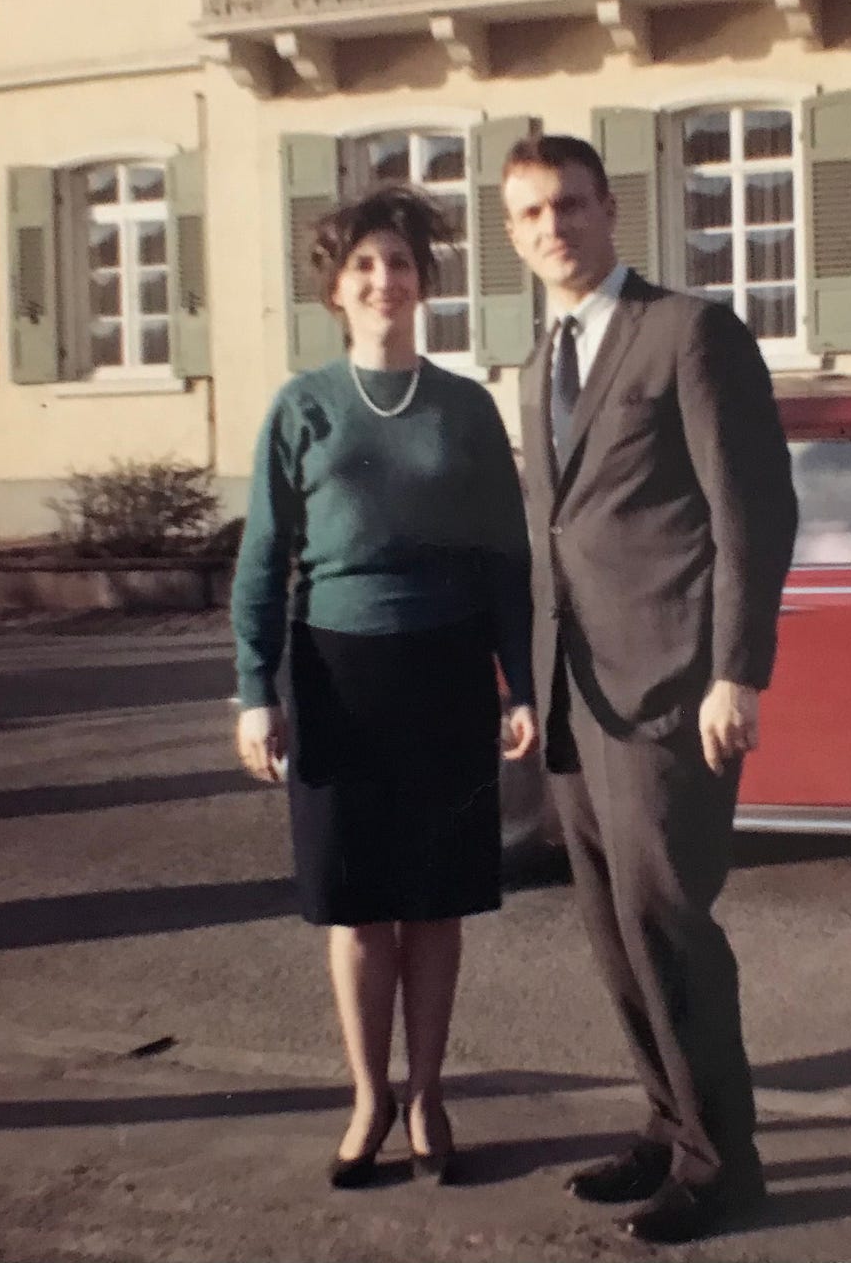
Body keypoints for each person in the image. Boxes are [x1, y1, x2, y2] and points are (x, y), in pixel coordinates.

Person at [502, 135, 797, 1243]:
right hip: (574, 696)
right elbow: (554, 535)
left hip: (670, 688)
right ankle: (670, 1125)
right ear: (512, 232)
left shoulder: (687, 332)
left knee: (669, 926)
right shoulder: (538, 362)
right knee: (612, 930)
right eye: (530, 213)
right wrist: (526, 682)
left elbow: (751, 511)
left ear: (608, 209)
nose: (552, 227)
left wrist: (737, 671)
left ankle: (724, 1167)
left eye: (569, 205)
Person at [230, 186, 537, 1190]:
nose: (382, 280)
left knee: (435, 903)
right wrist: (254, 688)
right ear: (335, 288)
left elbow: (504, 559)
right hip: (336, 674)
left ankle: (429, 1095)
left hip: (446, 671)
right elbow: (264, 558)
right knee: (359, 908)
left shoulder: (464, 408)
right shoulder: (302, 406)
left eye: (399, 263)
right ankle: (368, 1097)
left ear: (423, 282)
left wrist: (519, 681)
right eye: (363, 265)